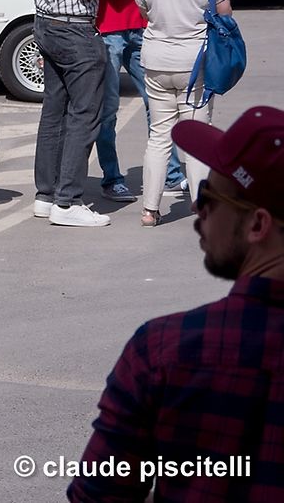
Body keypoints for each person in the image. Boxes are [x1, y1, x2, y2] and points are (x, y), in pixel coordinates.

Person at [67, 106, 284, 502]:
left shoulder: (164, 350)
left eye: (209, 196)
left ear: (258, 225)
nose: (199, 211)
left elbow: (98, 494)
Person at [25, 0, 135, 227]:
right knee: (84, 114)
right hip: (73, 27)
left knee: (55, 110)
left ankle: (46, 193)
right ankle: (68, 201)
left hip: (46, 22)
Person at [84, 0, 188, 205]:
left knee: (159, 104)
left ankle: (172, 175)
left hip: (143, 28)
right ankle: (112, 178)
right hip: (109, 32)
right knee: (108, 109)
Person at [133, 0, 232, 226]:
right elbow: (225, 14)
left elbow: (143, 8)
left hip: (157, 60)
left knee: (159, 135)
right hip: (196, 64)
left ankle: (149, 209)